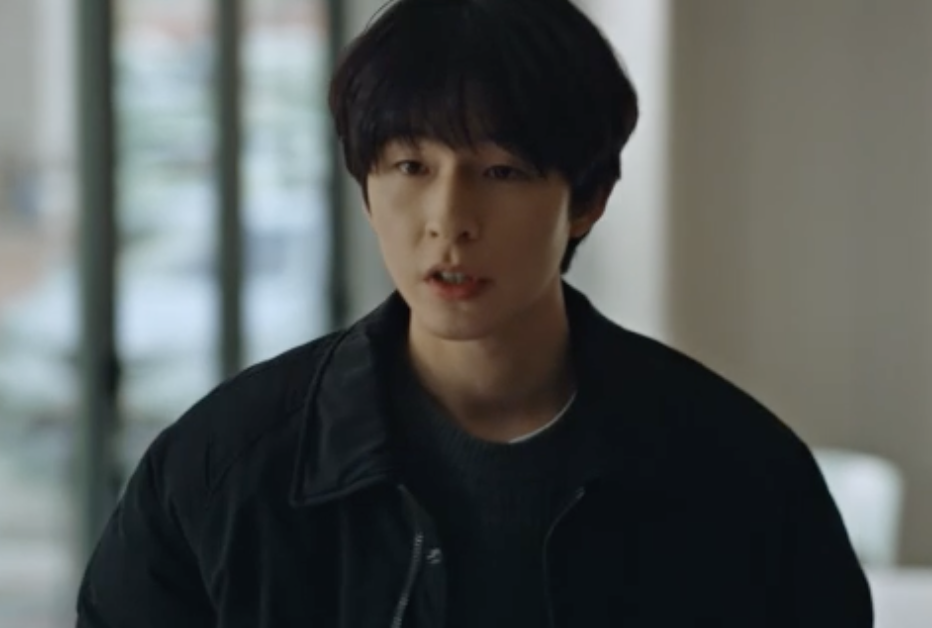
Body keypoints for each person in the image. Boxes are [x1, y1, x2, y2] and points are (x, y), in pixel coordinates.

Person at [76, 0, 873, 626]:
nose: (449, 220)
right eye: (410, 166)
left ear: (587, 199)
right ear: (366, 187)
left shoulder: (737, 474)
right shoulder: (222, 471)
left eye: (500, 170)